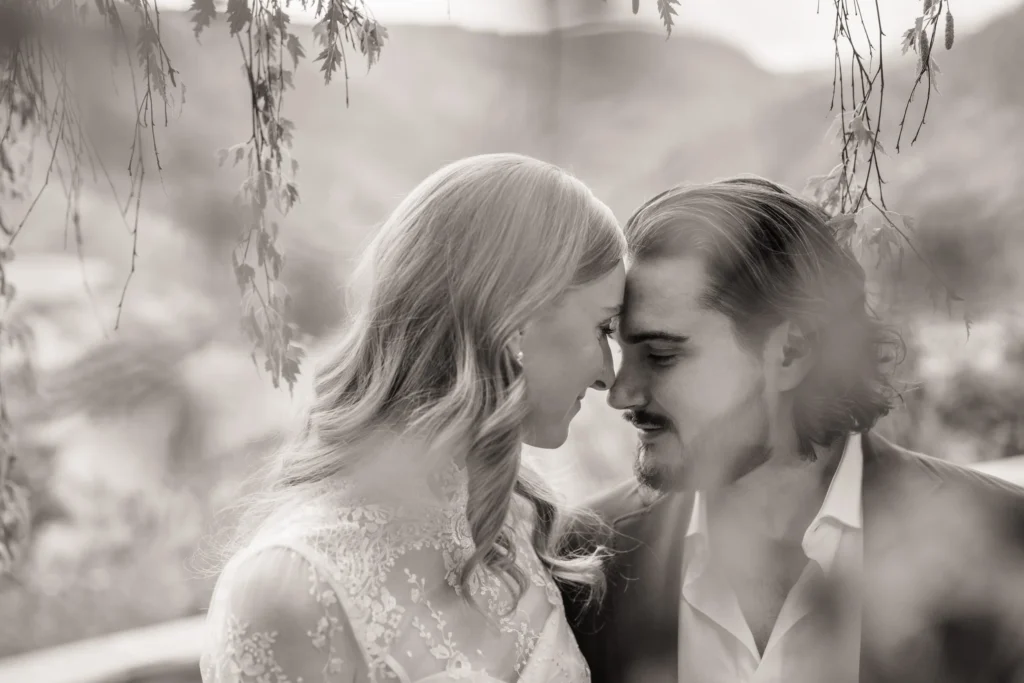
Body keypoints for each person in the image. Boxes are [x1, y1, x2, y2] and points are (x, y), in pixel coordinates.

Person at [562, 176, 1024, 683]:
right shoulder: (581, 559)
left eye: (662, 355)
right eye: (622, 352)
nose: (621, 393)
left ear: (791, 352)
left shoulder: (1006, 539)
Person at [200, 153, 626, 683]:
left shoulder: (512, 519)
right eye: (604, 328)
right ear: (517, 321)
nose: (610, 376)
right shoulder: (293, 586)